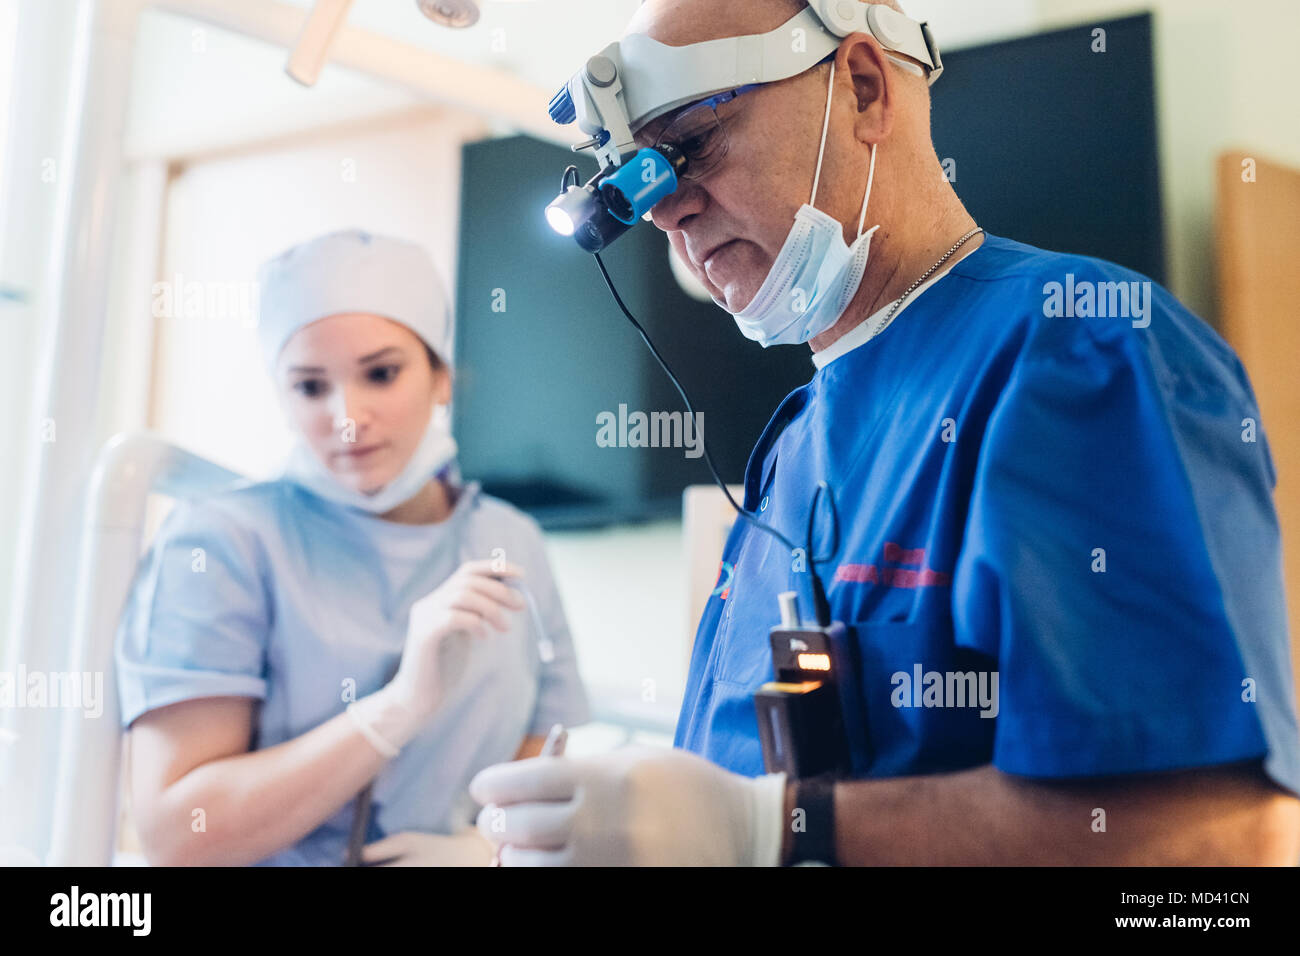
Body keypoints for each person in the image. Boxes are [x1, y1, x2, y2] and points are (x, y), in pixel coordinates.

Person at [469, 0, 1300, 865]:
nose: (669, 212)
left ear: (864, 89)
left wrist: (762, 830)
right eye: (641, 182)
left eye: (689, 148)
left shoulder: (1080, 352)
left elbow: (1222, 842)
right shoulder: (791, 449)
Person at [115, 228, 588, 866]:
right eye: (311, 387)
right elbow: (178, 836)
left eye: (382, 373)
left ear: (441, 377)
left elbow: (544, 752)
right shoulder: (222, 543)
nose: (347, 417)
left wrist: (488, 850)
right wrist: (395, 709)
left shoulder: (510, 540)